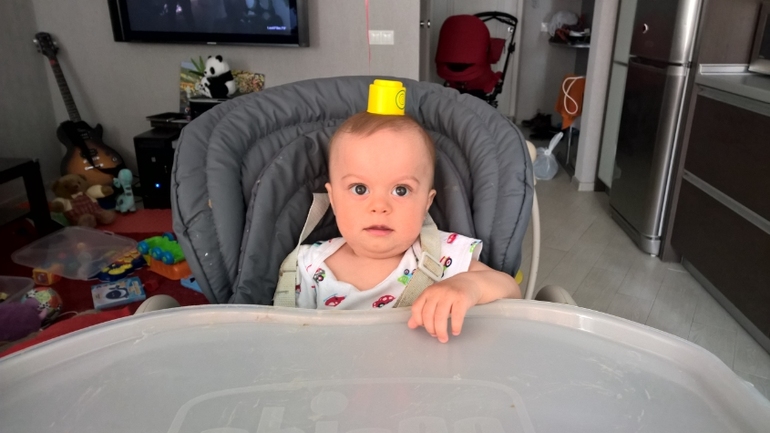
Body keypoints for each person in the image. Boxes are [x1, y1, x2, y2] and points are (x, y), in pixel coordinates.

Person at [295, 112, 521, 342]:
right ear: (333, 199)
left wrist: (468, 285)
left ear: (426, 203)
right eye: (360, 189)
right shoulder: (308, 266)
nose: (380, 206)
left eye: (401, 190)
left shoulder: (441, 255)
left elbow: (511, 290)